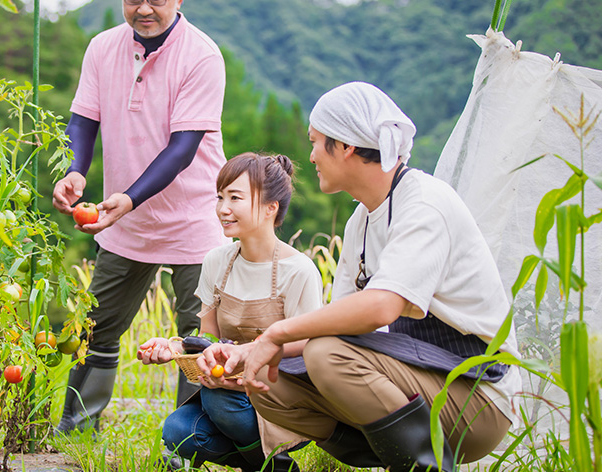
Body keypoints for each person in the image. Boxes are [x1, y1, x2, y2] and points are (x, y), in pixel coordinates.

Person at [198, 82, 522, 472]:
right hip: (418, 378)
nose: (312, 155)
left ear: (346, 146)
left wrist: (275, 335)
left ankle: (424, 466)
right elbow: (338, 322)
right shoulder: (362, 221)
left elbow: (381, 307)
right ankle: (389, 456)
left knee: (326, 355)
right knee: (267, 382)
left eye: (316, 142)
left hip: (476, 394)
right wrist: (247, 352)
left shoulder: (424, 204)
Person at [50, 0, 227, 433]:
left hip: (193, 220)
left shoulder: (202, 55)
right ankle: (78, 427)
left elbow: (183, 148)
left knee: (197, 338)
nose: (144, 9)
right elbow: (84, 118)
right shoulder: (102, 47)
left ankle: (193, 443)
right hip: (123, 220)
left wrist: (127, 197)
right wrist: (76, 171)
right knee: (97, 326)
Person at [138, 153, 322, 472]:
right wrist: (177, 347)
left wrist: (252, 355)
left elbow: (310, 343)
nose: (223, 208)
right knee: (179, 432)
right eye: (220, 196)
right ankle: (271, 465)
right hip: (230, 387)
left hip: (281, 396)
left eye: (235, 198)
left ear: (270, 208)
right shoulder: (216, 262)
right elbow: (209, 336)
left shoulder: (299, 271)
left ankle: (272, 464)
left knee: (216, 398)